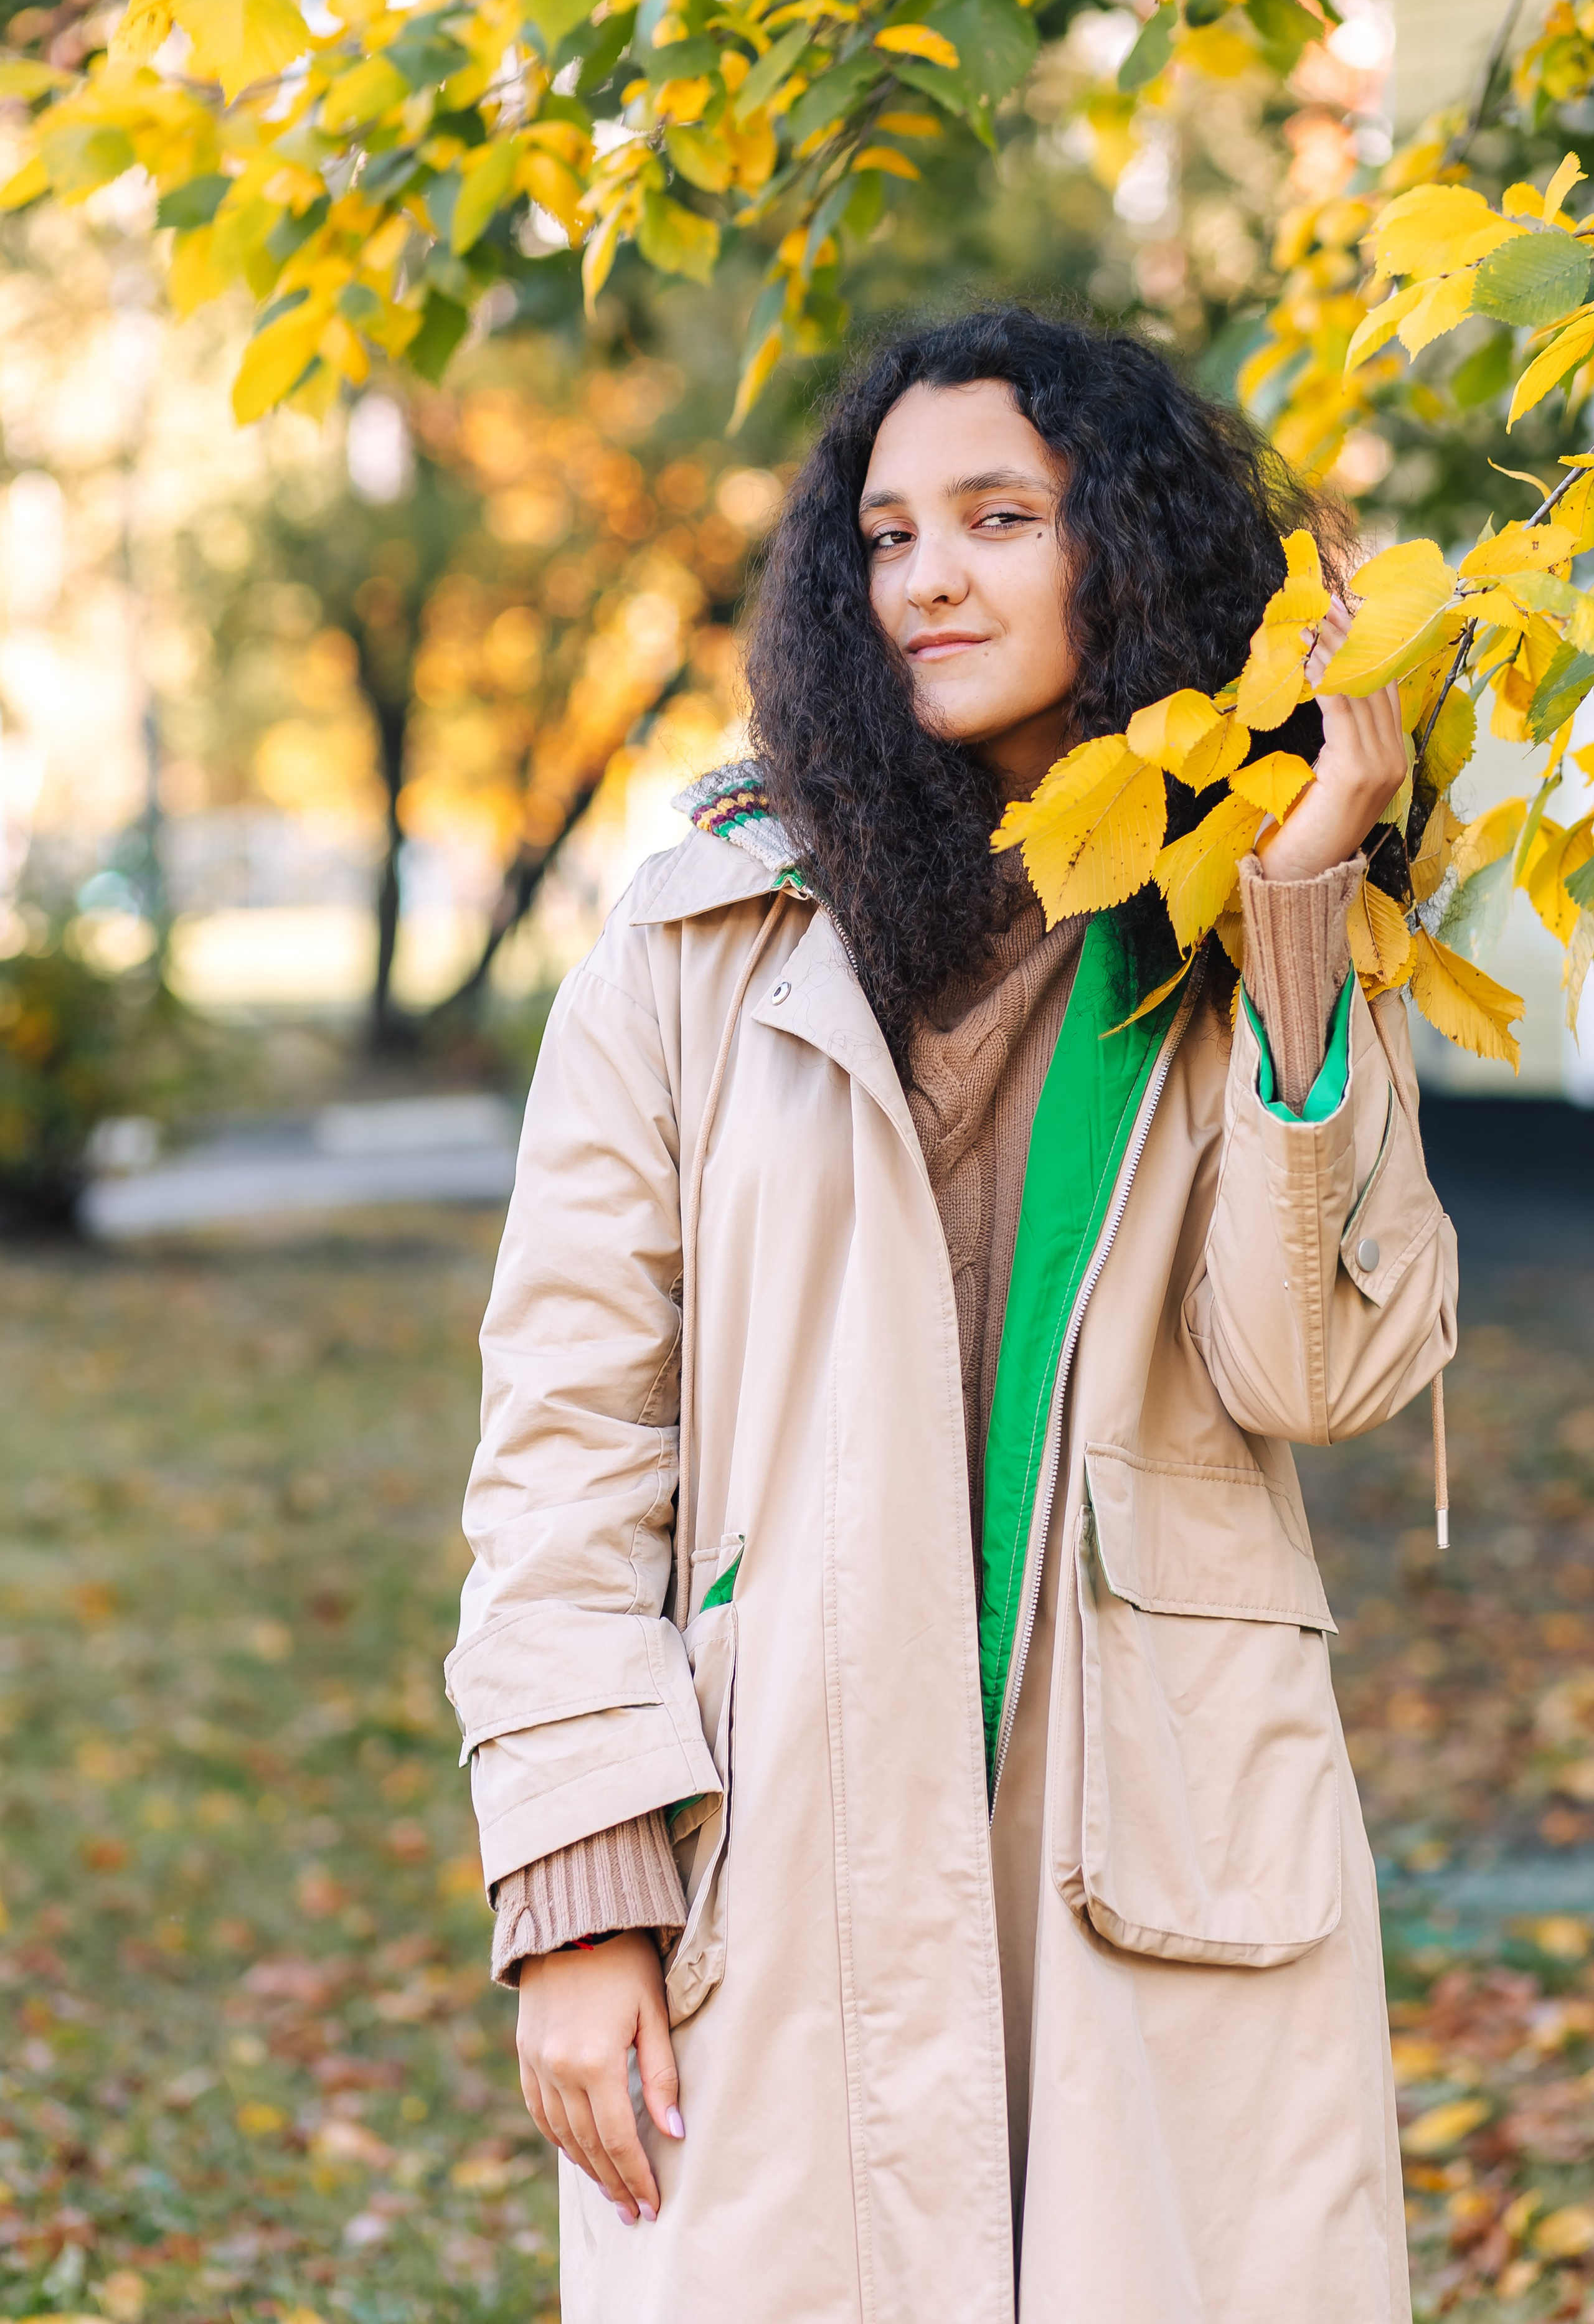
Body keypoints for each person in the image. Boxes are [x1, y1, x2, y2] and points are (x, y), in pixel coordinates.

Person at [446, 308, 1456, 2324]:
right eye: (890, 534)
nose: (929, 576)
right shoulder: (699, 937)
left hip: (1140, 1837)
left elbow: (1318, 1371)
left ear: (1136, 552)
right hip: (789, 1828)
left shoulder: (1247, 930)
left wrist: (1295, 926)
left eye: (1000, 516)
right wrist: (577, 1898)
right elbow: (565, 1442)